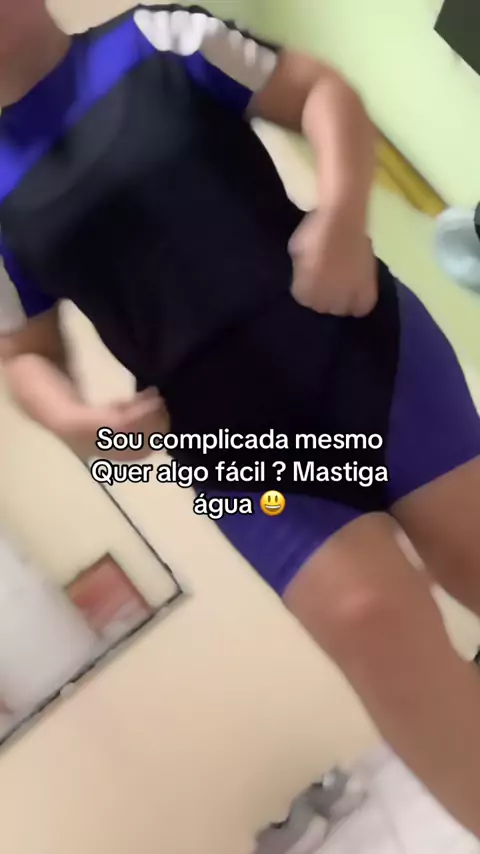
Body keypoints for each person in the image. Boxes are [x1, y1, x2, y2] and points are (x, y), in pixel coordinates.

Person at [1, 0, 480, 837]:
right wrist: (77, 419)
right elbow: (21, 353)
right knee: (372, 627)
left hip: (363, 348)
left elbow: (320, 92)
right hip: (237, 445)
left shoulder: (153, 36)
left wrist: (341, 215)